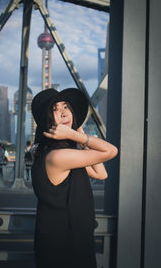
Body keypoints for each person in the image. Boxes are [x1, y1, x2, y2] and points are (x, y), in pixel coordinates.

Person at [31, 88, 118, 268]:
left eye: (66, 107)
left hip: (71, 240)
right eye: (55, 109)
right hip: (63, 248)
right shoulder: (57, 157)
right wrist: (75, 135)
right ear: (47, 120)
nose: (63, 113)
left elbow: (101, 173)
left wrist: (76, 131)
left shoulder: (67, 156)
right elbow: (111, 151)